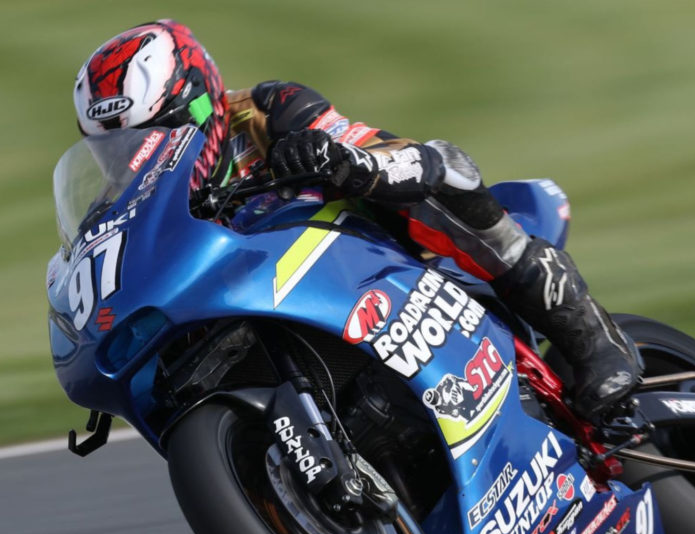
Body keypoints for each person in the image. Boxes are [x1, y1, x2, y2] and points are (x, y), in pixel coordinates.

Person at [73, 19, 639, 418]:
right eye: (113, 149)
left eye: (145, 135)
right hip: (292, 304)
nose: (129, 157)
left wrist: (336, 158)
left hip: (389, 263)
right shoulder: (140, 196)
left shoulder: (268, 110)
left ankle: (588, 336)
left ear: (197, 103)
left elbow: (389, 153)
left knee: (436, 172)